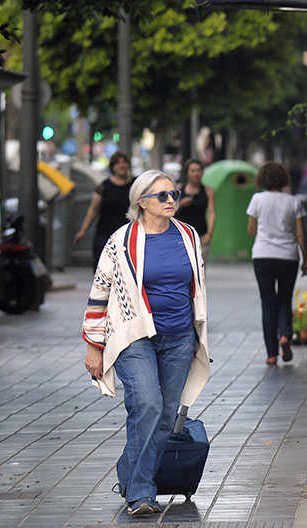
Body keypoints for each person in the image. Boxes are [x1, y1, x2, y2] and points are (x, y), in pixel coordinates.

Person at [81, 169, 211, 517]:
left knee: (166, 416)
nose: (172, 200)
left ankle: (129, 473)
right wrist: (94, 344)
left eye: (174, 193)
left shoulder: (188, 235)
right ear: (141, 202)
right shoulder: (120, 241)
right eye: (163, 196)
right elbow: (100, 291)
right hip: (133, 336)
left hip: (180, 336)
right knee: (149, 406)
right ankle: (140, 492)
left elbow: (195, 285)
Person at [247, 161, 307, 365]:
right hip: (288, 256)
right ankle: (285, 334)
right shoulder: (293, 201)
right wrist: (305, 259)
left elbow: (251, 230)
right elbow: (301, 233)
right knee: (284, 298)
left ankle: (271, 354)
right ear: (283, 179)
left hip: (263, 255)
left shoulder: (257, 199)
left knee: (267, 302)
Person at [74, 151, 134, 268]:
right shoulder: (104, 187)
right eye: (118, 163)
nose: (122, 165)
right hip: (105, 234)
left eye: (124, 162)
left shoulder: (134, 185)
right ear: (112, 167)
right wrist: (83, 231)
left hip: (127, 235)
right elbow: (93, 210)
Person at [175, 159, 216, 249]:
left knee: (199, 263)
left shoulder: (208, 191)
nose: (196, 174)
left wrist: (209, 234)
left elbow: (211, 213)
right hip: (180, 235)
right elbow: (170, 210)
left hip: (200, 235)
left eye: (198, 170)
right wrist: (181, 204)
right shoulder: (179, 189)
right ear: (187, 173)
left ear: (202, 172)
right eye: (192, 171)